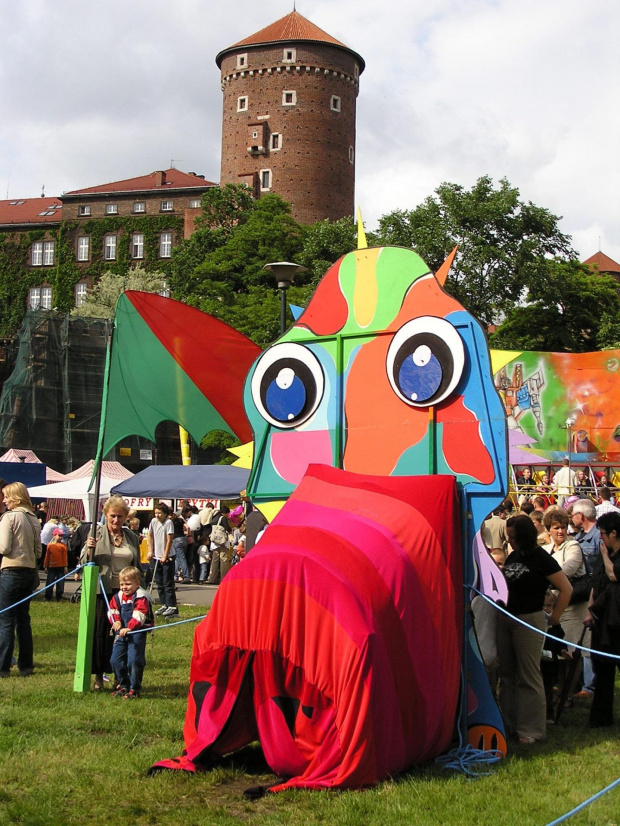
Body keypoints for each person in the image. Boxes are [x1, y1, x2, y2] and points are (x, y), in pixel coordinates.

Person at [497, 514, 572, 743]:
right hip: (506, 618)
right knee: (507, 674)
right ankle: (507, 725)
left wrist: (555, 617)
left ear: (524, 536)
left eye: (513, 537)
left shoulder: (542, 559)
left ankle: (531, 729)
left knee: (528, 674)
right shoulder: (512, 556)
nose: (509, 541)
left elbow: (566, 588)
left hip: (529, 619)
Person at [80, 496, 141, 691]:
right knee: (101, 635)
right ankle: (98, 675)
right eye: (112, 516)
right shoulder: (96, 534)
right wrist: (89, 548)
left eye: (120, 517)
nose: (116, 521)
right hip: (103, 592)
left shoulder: (131, 536)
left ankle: (119, 675)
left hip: (126, 594)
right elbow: (83, 562)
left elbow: (137, 565)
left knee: (124, 634)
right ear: (106, 515)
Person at [0, 482, 42, 677]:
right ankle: (26, 665)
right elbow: (39, 550)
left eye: (7, 497)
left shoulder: (9, 517)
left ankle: (3, 666)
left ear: (15, 498)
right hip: (29, 572)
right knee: (23, 620)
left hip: (11, 571)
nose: (4, 500)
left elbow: (4, 548)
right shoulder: (34, 518)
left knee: (5, 620)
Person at [584, 512, 620, 727]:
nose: (601, 539)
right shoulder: (603, 553)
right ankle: (601, 718)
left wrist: (606, 556)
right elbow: (597, 582)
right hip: (602, 620)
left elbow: (614, 574)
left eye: (604, 534)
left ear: (614, 533)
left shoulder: (608, 554)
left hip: (618, 620)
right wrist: (590, 610)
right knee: (602, 668)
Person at [571, 498, 601, 698]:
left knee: (594, 641)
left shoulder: (599, 537)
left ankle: (590, 685)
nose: (571, 518)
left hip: (598, 594)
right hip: (584, 594)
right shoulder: (579, 537)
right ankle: (584, 683)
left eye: (573, 514)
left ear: (581, 515)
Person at [108, 566, 154, 699]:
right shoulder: (118, 597)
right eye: (122, 584)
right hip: (120, 632)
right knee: (115, 660)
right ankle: (123, 685)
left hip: (136, 633)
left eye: (128, 584)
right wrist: (115, 621)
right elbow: (112, 610)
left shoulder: (140, 597)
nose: (124, 587)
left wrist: (129, 628)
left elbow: (140, 614)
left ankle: (135, 688)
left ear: (137, 584)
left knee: (134, 661)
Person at [147, 503, 178, 617]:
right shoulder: (153, 522)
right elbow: (150, 535)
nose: (157, 515)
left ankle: (172, 606)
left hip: (167, 556)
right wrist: (150, 550)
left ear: (165, 513)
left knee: (167, 582)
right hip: (156, 555)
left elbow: (169, 540)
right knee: (159, 582)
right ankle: (164, 604)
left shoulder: (168, 523)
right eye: (156, 513)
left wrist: (165, 555)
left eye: (160, 513)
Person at [206, 505, 232, 585]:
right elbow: (227, 528)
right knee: (223, 559)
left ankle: (212, 578)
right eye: (228, 513)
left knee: (215, 559)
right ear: (225, 513)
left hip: (214, 541)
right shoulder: (223, 518)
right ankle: (223, 578)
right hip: (222, 541)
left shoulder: (214, 517)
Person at [43, 527, 68, 602]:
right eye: (59, 535)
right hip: (52, 567)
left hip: (61, 567)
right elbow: (47, 556)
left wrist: (65, 566)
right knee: (49, 582)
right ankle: (48, 597)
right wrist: (45, 566)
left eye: (61, 536)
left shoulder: (63, 546)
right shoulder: (50, 545)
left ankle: (59, 597)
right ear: (54, 535)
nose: (60, 537)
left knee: (60, 583)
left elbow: (65, 557)